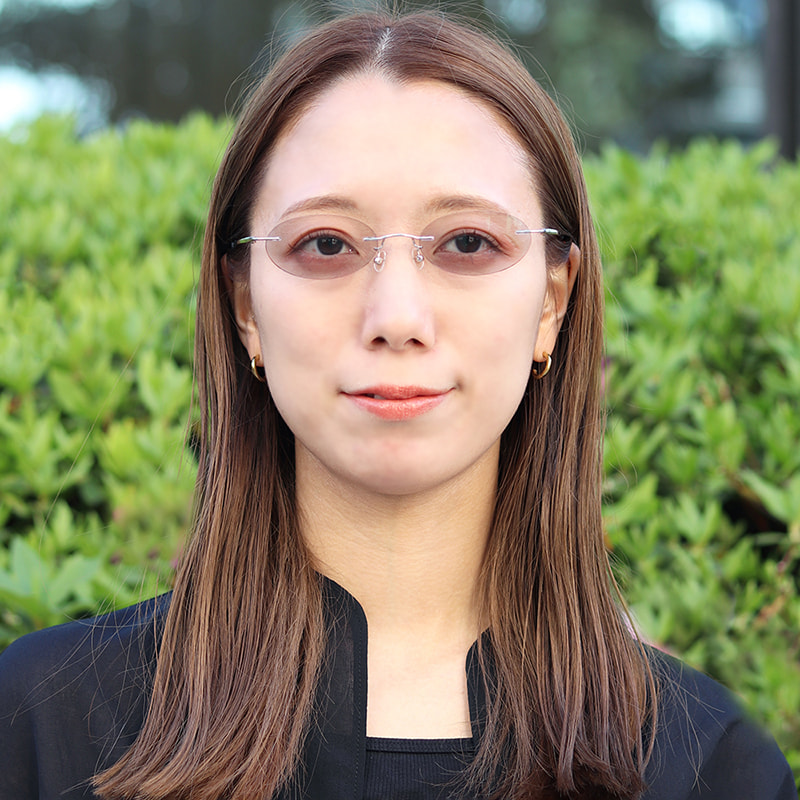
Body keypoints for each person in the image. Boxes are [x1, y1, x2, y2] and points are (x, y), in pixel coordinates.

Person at [0, 10, 795, 800]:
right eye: (326, 244)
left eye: (468, 243)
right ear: (245, 307)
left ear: (552, 302)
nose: (397, 318)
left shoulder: (710, 767)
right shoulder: (42, 725)